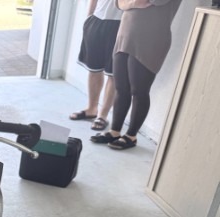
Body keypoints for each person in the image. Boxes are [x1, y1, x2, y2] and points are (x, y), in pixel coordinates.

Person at [91, 0, 183, 150]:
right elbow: (118, 3)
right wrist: (132, 3)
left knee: (139, 91)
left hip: (150, 39)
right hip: (125, 34)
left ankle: (131, 136)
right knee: (121, 88)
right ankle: (114, 131)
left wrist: (130, 3)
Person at [70, 0, 122, 131]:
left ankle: (102, 116)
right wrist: (89, 17)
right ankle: (91, 108)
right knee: (94, 70)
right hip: (97, 20)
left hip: (120, 24)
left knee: (113, 74)